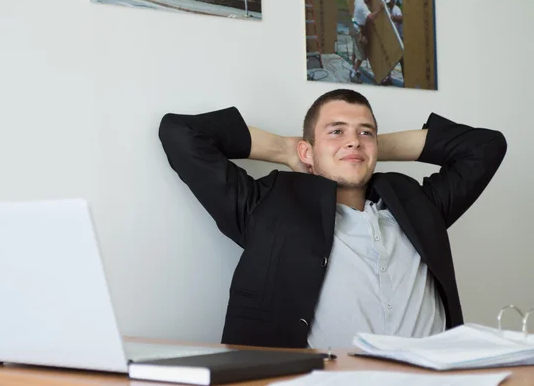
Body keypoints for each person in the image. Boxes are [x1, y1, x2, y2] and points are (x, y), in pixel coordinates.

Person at [158, 89, 507, 349]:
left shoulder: (418, 204)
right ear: (308, 151)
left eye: (364, 131)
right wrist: (285, 149)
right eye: (336, 131)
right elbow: (181, 134)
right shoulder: (267, 205)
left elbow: (486, 147)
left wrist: (362, 147)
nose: (353, 140)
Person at [350, 0, 384, 83]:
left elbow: (355, 6)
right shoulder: (363, 8)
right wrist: (380, 9)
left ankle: (352, 68)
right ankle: (353, 74)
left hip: (354, 25)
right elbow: (371, 17)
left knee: (354, 51)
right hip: (358, 30)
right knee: (361, 56)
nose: (369, 1)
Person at [381, 0, 404, 86]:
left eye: (389, 2)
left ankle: (406, 81)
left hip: (399, 38)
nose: (388, 3)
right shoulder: (389, 9)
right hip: (393, 39)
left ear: (392, 0)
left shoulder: (396, 9)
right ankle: (388, 78)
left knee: (402, 61)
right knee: (389, 59)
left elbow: (401, 19)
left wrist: (393, 17)